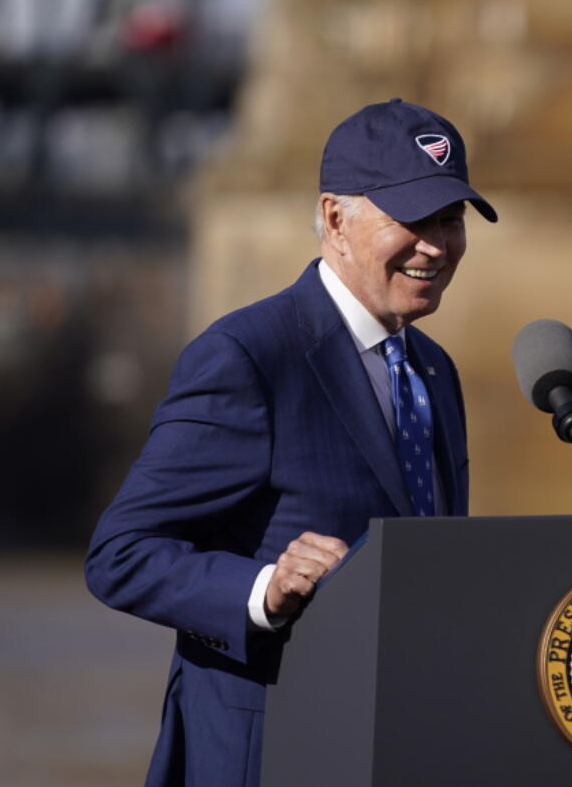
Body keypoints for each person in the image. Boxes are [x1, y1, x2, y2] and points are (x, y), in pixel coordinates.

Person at [85, 99, 497, 787]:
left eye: (451, 220)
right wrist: (262, 591)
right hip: (266, 752)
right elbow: (120, 554)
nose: (437, 245)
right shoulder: (248, 356)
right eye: (414, 219)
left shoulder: (435, 371)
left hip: (397, 748)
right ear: (335, 218)